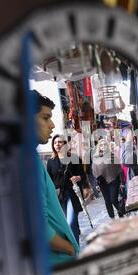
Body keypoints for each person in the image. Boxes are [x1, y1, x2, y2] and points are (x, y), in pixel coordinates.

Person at [33, 92, 79, 265]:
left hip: (70, 195)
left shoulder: (31, 159)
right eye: (46, 118)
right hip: (57, 262)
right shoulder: (29, 162)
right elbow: (39, 228)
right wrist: (70, 249)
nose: (52, 126)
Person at [47, 134, 87, 244]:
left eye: (60, 142)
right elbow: (49, 180)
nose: (57, 144)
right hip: (58, 196)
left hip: (72, 194)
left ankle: (76, 248)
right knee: (66, 223)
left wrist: (78, 177)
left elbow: (83, 176)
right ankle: (73, 244)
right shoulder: (51, 161)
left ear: (65, 144)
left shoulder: (74, 158)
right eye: (55, 143)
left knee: (70, 222)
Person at [92, 138, 125, 219]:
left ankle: (123, 213)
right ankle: (112, 218)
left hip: (114, 180)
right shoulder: (95, 158)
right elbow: (94, 171)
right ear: (99, 147)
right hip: (102, 182)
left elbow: (119, 169)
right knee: (107, 201)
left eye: (105, 144)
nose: (103, 146)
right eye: (101, 145)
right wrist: (96, 183)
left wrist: (122, 182)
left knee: (114, 199)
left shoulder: (112, 156)